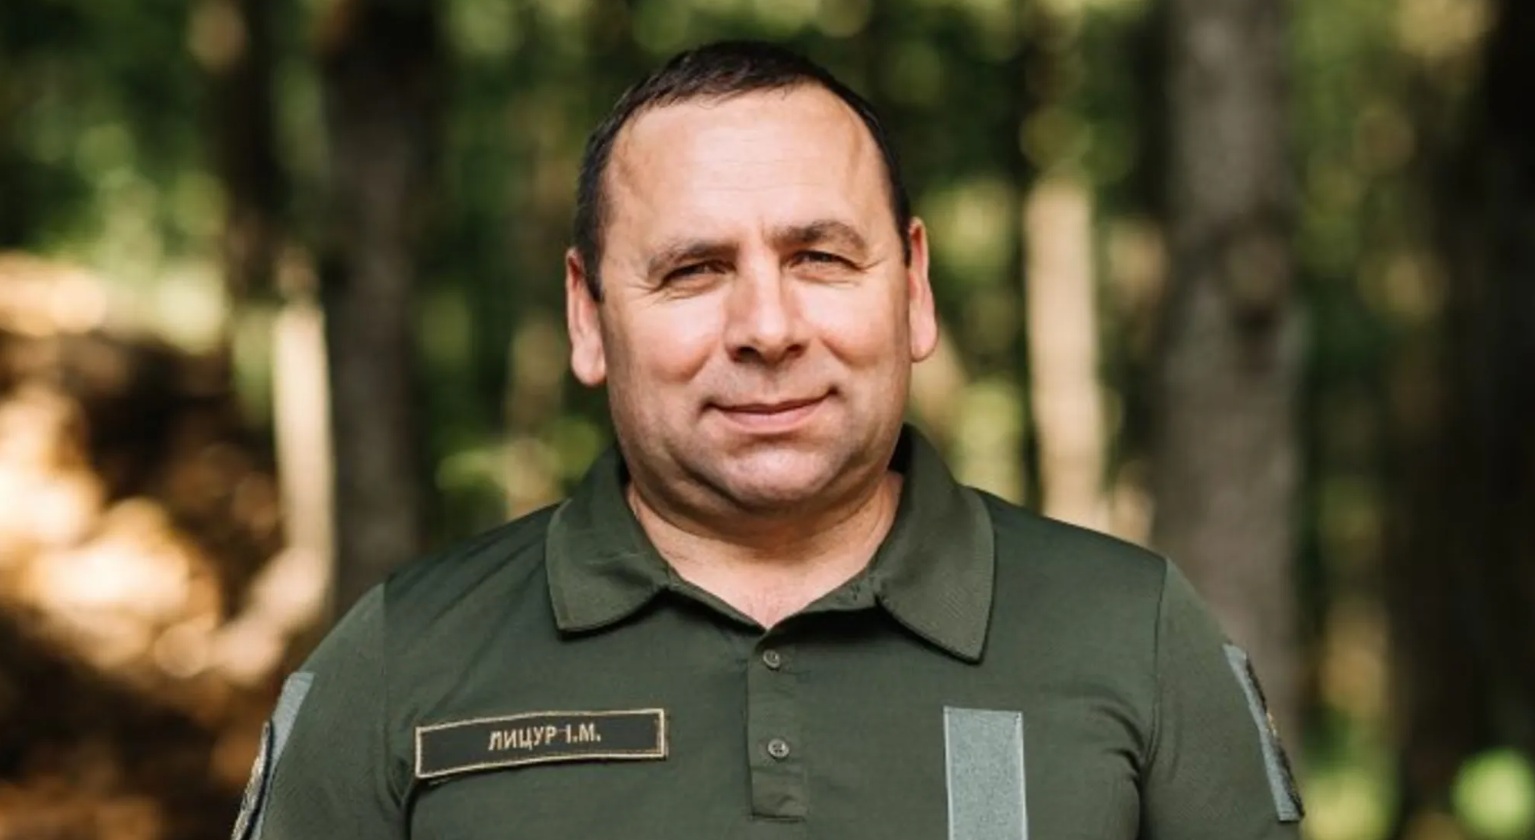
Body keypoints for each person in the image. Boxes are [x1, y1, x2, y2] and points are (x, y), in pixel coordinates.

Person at [232, 41, 1303, 839]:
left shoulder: (1130, 635)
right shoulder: (402, 662)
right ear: (586, 317)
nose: (768, 328)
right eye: (693, 271)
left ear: (913, 290)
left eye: (819, 259)